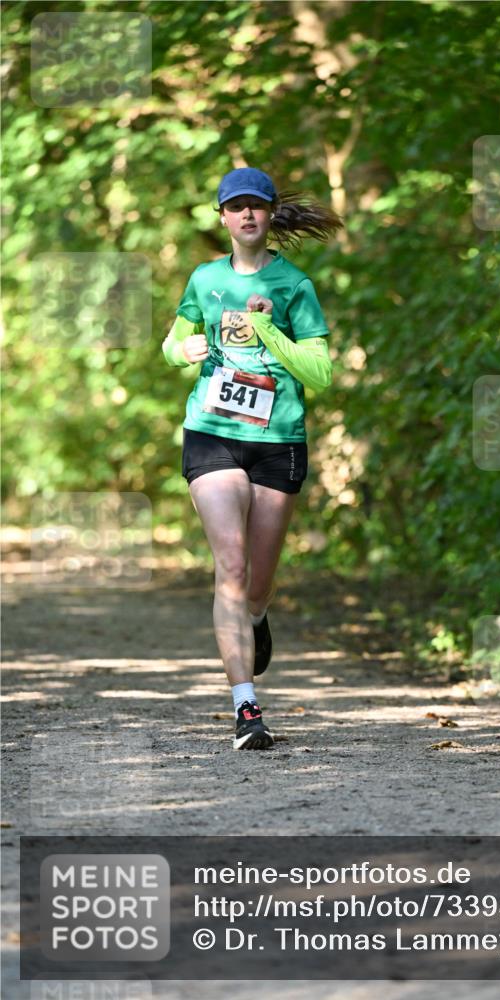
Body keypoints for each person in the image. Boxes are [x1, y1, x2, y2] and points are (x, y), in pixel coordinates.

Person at [162, 167, 343, 750]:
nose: (246, 215)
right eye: (235, 207)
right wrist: (178, 350)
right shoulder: (204, 278)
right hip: (211, 432)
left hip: (278, 440)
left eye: (256, 207)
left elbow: (320, 372)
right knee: (232, 569)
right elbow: (174, 340)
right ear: (222, 217)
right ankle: (246, 710)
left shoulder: (295, 285)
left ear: (269, 216)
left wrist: (265, 326)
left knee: (258, 585)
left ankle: (258, 619)